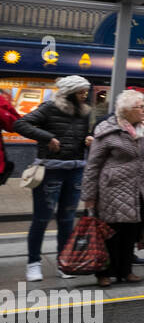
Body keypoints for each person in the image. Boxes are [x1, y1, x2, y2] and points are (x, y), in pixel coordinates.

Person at [14, 75, 94, 282]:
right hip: (50, 170)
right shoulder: (49, 107)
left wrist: (88, 139)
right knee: (41, 219)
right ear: (69, 93)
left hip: (75, 169)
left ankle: (63, 262)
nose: (85, 95)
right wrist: (47, 137)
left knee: (67, 219)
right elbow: (20, 124)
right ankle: (33, 263)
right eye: (81, 92)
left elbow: (82, 135)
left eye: (86, 91)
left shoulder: (84, 112)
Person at [81, 90, 144, 287]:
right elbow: (93, 165)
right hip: (113, 189)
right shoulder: (107, 130)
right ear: (125, 110)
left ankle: (126, 271)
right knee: (110, 234)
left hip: (139, 189)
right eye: (139, 106)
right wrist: (89, 196)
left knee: (131, 233)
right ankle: (104, 273)